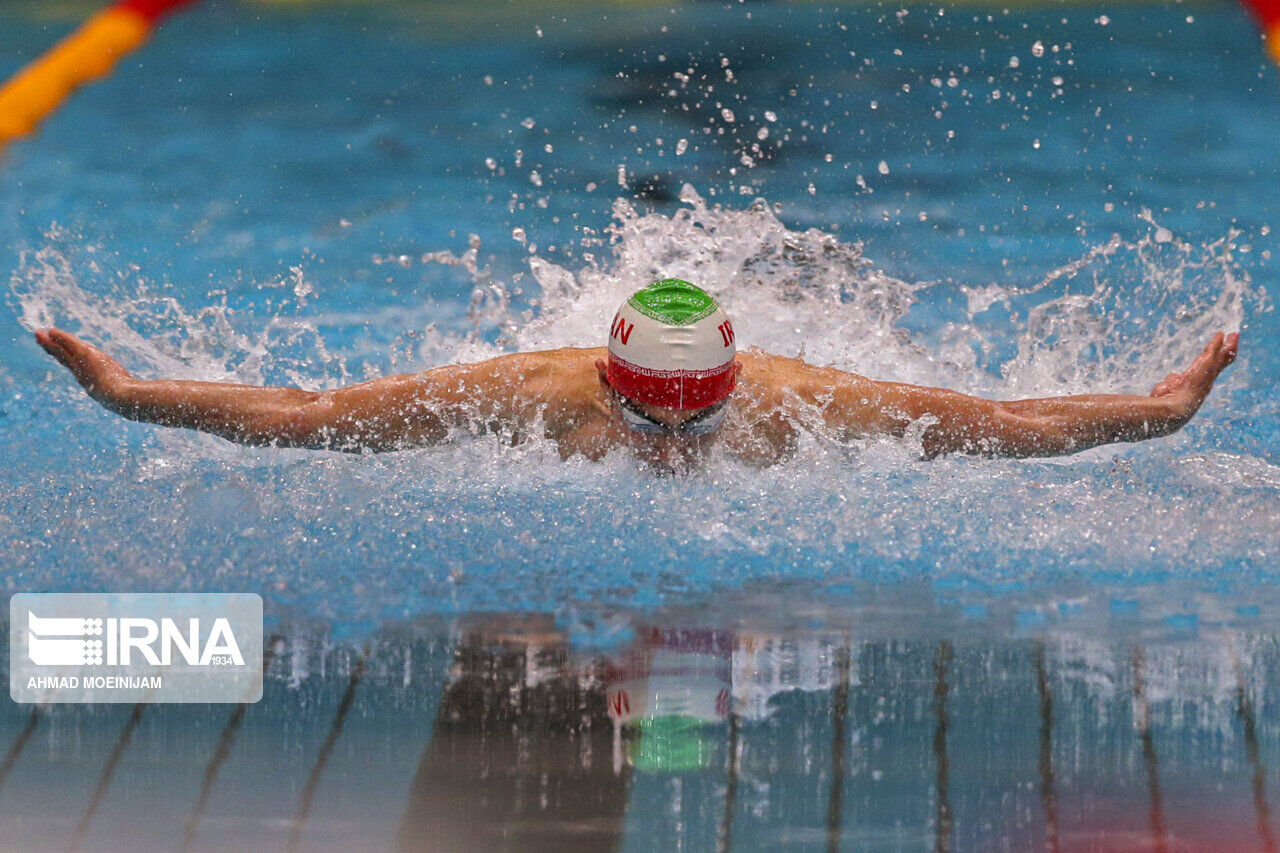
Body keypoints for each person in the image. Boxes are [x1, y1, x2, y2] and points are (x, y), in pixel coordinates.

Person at [34, 278, 1239, 470]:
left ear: (729, 394)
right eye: (643, 422)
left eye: (688, 428)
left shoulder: (806, 402)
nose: (664, 451)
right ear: (606, 388)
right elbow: (312, 419)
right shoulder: (532, 390)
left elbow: (1009, 424)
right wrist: (125, 393)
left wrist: (1163, 410)